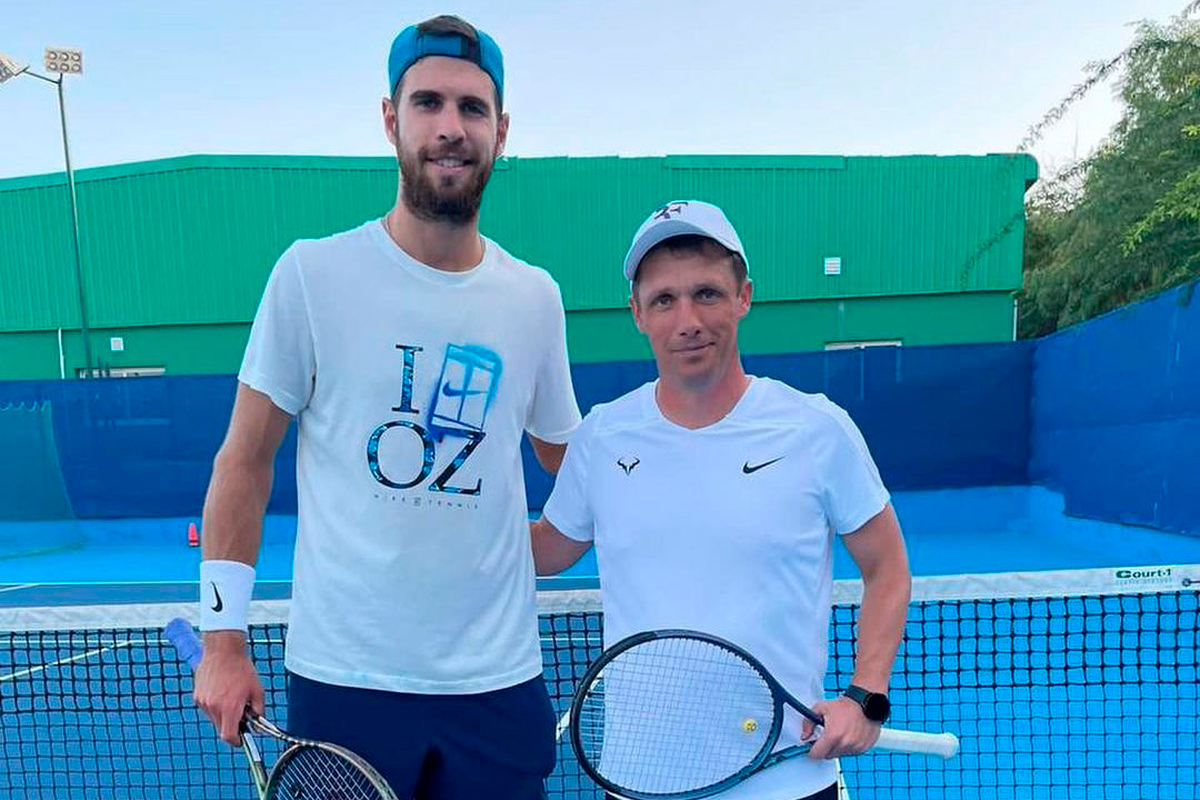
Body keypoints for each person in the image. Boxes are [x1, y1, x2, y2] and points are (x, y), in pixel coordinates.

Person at [193, 15, 580, 800]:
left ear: (501, 131)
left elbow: (569, 462)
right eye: (428, 102)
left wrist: (537, 547)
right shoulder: (311, 276)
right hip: (346, 684)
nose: (450, 127)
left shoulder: (535, 298)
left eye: (472, 108)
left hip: (498, 686)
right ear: (390, 119)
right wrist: (223, 640)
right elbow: (244, 460)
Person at [531, 200, 911, 800]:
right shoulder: (601, 437)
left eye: (706, 293)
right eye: (664, 299)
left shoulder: (816, 429)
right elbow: (546, 552)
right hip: (638, 784)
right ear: (637, 312)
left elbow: (887, 568)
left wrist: (866, 697)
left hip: (786, 783)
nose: (687, 320)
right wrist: (452, 504)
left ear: (743, 297)